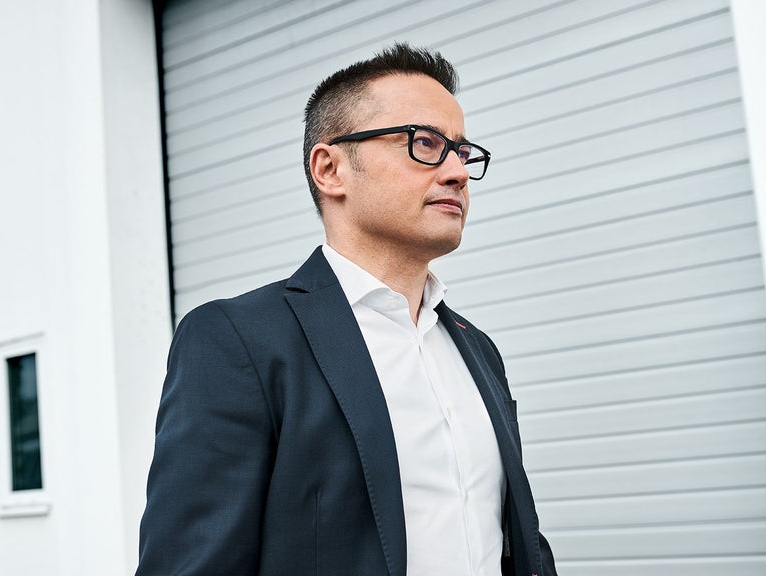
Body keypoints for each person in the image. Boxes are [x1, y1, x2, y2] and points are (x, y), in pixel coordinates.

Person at [136, 43, 558, 576]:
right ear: (330, 168)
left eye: (462, 151)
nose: (455, 171)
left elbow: (520, 543)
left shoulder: (477, 350)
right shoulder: (239, 340)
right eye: (424, 143)